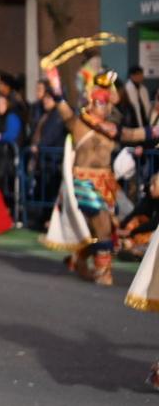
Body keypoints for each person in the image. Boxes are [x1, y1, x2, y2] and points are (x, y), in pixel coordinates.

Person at [43, 46, 157, 286]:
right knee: (103, 225)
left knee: (103, 230)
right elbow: (60, 102)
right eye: (99, 104)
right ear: (91, 102)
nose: (104, 108)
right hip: (84, 180)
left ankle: (79, 259)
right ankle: (103, 273)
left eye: (106, 105)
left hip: (106, 181)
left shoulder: (112, 130)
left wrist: (156, 131)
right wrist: (53, 77)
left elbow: (134, 134)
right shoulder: (78, 124)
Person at [120, 65, 153, 130]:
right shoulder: (126, 89)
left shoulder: (143, 89)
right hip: (132, 123)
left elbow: (147, 105)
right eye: (139, 74)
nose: (141, 77)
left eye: (142, 74)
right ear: (132, 76)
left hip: (145, 122)